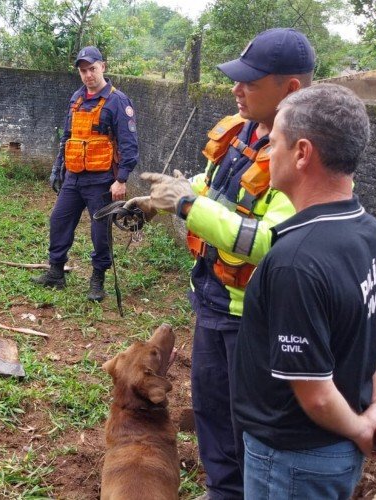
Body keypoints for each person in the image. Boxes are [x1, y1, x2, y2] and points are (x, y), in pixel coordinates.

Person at [126, 28, 314, 498]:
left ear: (290, 89)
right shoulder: (244, 131)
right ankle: (223, 489)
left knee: (250, 420)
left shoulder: (305, 152)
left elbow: (270, 240)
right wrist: (163, 200)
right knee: (211, 408)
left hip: (255, 318)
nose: (236, 89)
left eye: (249, 81)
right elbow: (213, 187)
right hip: (212, 299)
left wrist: (187, 206)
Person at [231, 83, 376, 498]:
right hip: (337, 447)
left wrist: (361, 430)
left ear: (302, 153)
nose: (265, 144)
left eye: (274, 139)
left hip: (292, 460)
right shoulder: (370, 231)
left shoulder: (295, 262)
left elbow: (315, 394)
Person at [31, 46, 139, 302]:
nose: (88, 75)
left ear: (103, 66)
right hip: (74, 177)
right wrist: (59, 167)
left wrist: (121, 179)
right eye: (83, 70)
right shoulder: (76, 98)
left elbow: (129, 145)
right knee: (59, 220)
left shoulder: (118, 101)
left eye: (92, 68)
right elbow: (68, 137)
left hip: (101, 181)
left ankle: (97, 279)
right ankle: (56, 273)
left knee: (100, 232)